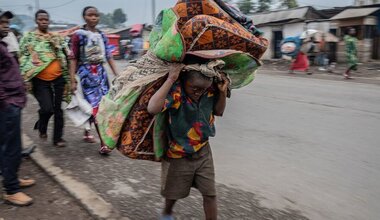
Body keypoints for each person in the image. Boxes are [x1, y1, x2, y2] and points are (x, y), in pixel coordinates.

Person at [147, 62, 229, 220]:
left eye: (203, 89)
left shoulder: (210, 92)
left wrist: (222, 93)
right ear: (184, 81)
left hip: (203, 151)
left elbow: (219, 111)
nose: (199, 92)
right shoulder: (177, 94)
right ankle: (166, 212)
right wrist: (171, 79)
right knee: (172, 193)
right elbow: (152, 108)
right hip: (178, 153)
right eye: (195, 88)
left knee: (210, 194)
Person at [69, 6, 119, 154]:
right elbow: (73, 58)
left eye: (96, 15)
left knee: (104, 106)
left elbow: (109, 56)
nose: (93, 18)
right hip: (87, 75)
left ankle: (88, 130)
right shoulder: (78, 35)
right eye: (90, 15)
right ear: (84, 17)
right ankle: (104, 143)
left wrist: (117, 73)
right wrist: (72, 79)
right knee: (96, 108)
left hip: (102, 75)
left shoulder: (102, 35)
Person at [19, 9, 69, 147]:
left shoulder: (56, 37)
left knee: (58, 109)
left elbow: (66, 53)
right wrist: (26, 78)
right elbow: (23, 58)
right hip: (40, 80)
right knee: (47, 108)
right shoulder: (29, 38)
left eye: (46, 19)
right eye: (41, 19)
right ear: (36, 21)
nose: (43, 22)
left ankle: (58, 138)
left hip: (59, 78)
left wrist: (71, 76)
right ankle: (42, 125)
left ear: (49, 21)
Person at [0, 9, 35, 206]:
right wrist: (6, 102)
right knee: (10, 147)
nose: (6, 25)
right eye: (2, 23)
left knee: (10, 146)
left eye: (7, 22)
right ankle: (11, 189)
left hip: (12, 102)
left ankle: (12, 178)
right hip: (7, 105)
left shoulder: (4, 44)